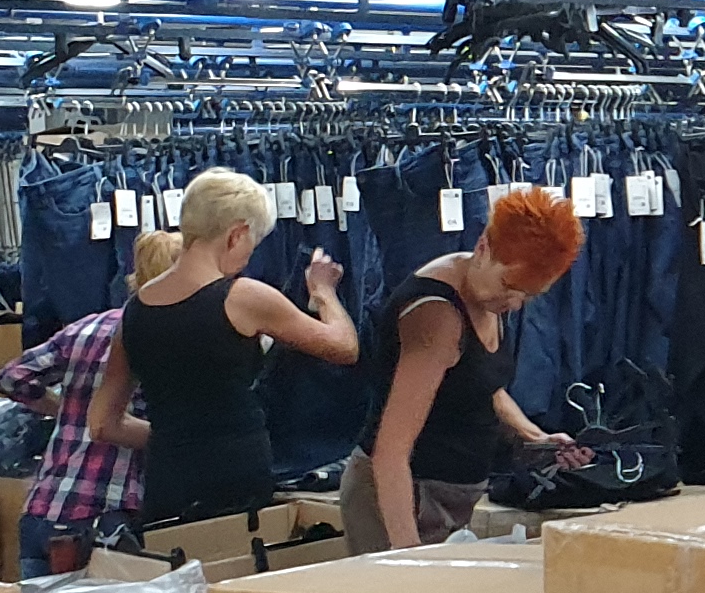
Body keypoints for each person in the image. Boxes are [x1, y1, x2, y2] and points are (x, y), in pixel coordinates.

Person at [91, 169, 359, 531]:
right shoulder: (242, 297)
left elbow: (103, 424)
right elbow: (344, 347)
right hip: (237, 475)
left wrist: (178, 438)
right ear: (238, 234)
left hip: (167, 476)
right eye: (253, 243)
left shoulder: (135, 309)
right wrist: (324, 292)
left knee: (178, 562)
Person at [352, 188, 580, 553]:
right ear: (483, 247)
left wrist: (534, 435)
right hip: (405, 499)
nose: (515, 304)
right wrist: (407, 554)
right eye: (509, 286)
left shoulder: (485, 294)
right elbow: (391, 451)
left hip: (446, 496)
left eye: (530, 295)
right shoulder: (437, 316)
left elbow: (481, 383)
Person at [0, 231, 182, 578]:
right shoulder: (171, 339)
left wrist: (64, 410)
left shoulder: (88, 327)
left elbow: (12, 377)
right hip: (106, 516)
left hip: (44, 508)